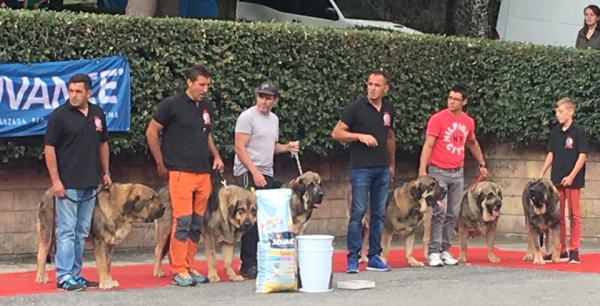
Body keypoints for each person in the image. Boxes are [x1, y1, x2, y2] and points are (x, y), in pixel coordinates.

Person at [146, 65, 225, 287]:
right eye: (201, 84)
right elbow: (151, 131)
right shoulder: (172, 105)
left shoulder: (206, 107)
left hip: (203, 172)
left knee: (196, 222)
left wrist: (216, 156)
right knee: (182, 220)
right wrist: (160, 163)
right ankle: (178, 268)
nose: (205, 89)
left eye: (207, 85)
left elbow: (206, 134)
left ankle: (188, 266)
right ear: (189, 83)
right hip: (180, 171)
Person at [44, 73, 112, 291]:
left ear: (88, 93)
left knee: (82, 231)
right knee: (67, 231)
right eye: (71, 91)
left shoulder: (97, 114)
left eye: (78, 91)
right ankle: (64, 276)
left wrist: (106, 172)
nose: (73, 95)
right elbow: (49, 148)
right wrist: (56, 181)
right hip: (68, 183)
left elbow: (103, 144)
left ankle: (75, 273)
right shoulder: (59, 116)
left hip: (90, 182)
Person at [232, 82, 299, 279]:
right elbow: (239, 147)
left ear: (274, 101)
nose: (263, 101)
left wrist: (287, 147)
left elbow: (272, 146)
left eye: (268, 97)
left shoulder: (274, 120)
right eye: (261, 96)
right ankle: (247, 263)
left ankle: (260, 260)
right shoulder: (247, 117)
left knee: (263, 219)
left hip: (266, 171)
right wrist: (254, 172)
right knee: (249, 219)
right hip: (247, 172)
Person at [331, 71, 396, 274]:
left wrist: (392, 163)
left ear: (385, 88)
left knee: (378, 214)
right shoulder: (357, 108)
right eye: (369, 84)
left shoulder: (388, 109)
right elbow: (336, 133)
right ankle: (353, 257)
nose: (372, 88)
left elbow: (390, 137)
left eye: (377, 85)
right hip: (361, 168)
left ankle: (374, 256)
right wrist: (359, 136)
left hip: (382, 167)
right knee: (358, 213)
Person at [417, 84, 488, 267]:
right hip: (438, 170)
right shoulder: (437, 119)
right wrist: (422, 171)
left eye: (456, 99)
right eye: (450, 98)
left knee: (452, 213)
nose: (452, 102)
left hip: (457, 171)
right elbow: (428, 145)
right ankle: (433, 251)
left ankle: (445, 249)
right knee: (439, 212)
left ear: (464, 101)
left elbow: (472, 142)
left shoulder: (468, 122)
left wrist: (482, 163)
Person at [538, 97, 587, 264]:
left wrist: (572, 175)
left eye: (561, 111)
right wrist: (542, 172)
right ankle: (561, 249)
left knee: (574, 214)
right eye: (556, 112)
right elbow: (551, 153)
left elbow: (582, 155)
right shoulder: (555, 132)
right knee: (558, 215)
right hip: (557, 178)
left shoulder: (578, 131)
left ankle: (574, 250)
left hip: (573, 180)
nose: (558, 115)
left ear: (570, 111)